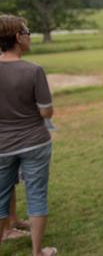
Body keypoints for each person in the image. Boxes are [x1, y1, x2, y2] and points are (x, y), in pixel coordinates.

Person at [0, 14, 57, 256]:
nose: (29, 37)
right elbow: (46, 111)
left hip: (2, 145)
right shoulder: (34, 70)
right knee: (37, 196)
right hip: (34, 141)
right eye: (27, 33)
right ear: (17, 37)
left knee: (1, 196)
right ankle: (37, 252)